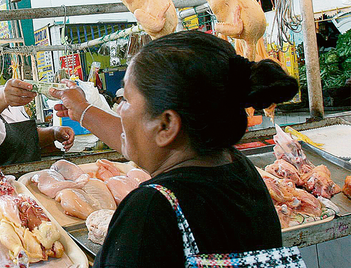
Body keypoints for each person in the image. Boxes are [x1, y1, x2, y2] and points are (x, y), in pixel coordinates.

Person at [51, 31, 302, 267]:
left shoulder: (152, 210)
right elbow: (139, 141)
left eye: (125, 100)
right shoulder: (239, 170)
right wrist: (83, 111)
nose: (119, 110)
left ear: (167, 125)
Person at [0, 28, 75, 171]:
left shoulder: (7, 95)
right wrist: (4, 97)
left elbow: (21, 140)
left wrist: (53, 133)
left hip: (23, 184)